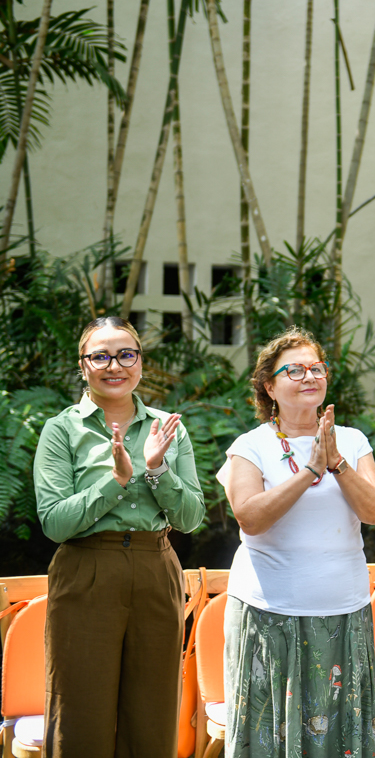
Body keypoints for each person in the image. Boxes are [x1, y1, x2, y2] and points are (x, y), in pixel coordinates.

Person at [33, 316, 204, 757]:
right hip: (86, 570)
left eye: (126, 354)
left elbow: (190, 518)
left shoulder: (168, 427)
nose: (115, 366)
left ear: (140, 362)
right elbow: (54, 523)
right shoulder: (62, 429)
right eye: (101, 356)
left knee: (153, 714)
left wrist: (157, 469)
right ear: (83, 365)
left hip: (155, 570)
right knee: (80, 713)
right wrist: (117, 480)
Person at [218, 327, 375, 757]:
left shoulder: (351, 441)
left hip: (343, 613)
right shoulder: (250, 446)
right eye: (295, 370)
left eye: (317, 368)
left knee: (336, 734)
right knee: (269, 732)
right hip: (270, 615)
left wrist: (336, 463)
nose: (310, 376)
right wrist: (310, 470)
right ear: (269, 386)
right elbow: (250, 518)